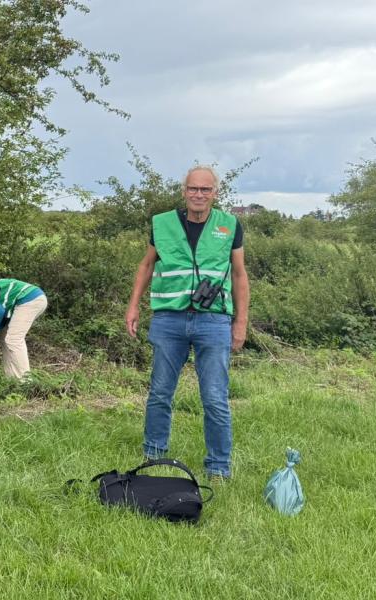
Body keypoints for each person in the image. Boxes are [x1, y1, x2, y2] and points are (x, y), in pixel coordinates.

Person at [124, 165, 249, 480]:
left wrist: (240, 322)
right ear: (184, 191)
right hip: (169, 319)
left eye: (205, 189)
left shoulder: (229, 224)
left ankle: (218, 467)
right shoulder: (163, 223)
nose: (199, 194)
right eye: (193, 188)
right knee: (160, 392)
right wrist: (133, 306)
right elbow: (146, 265)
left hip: (214, 320)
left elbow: (239, 275)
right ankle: (153, 456)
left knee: (215, 398)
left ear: (215, 193)